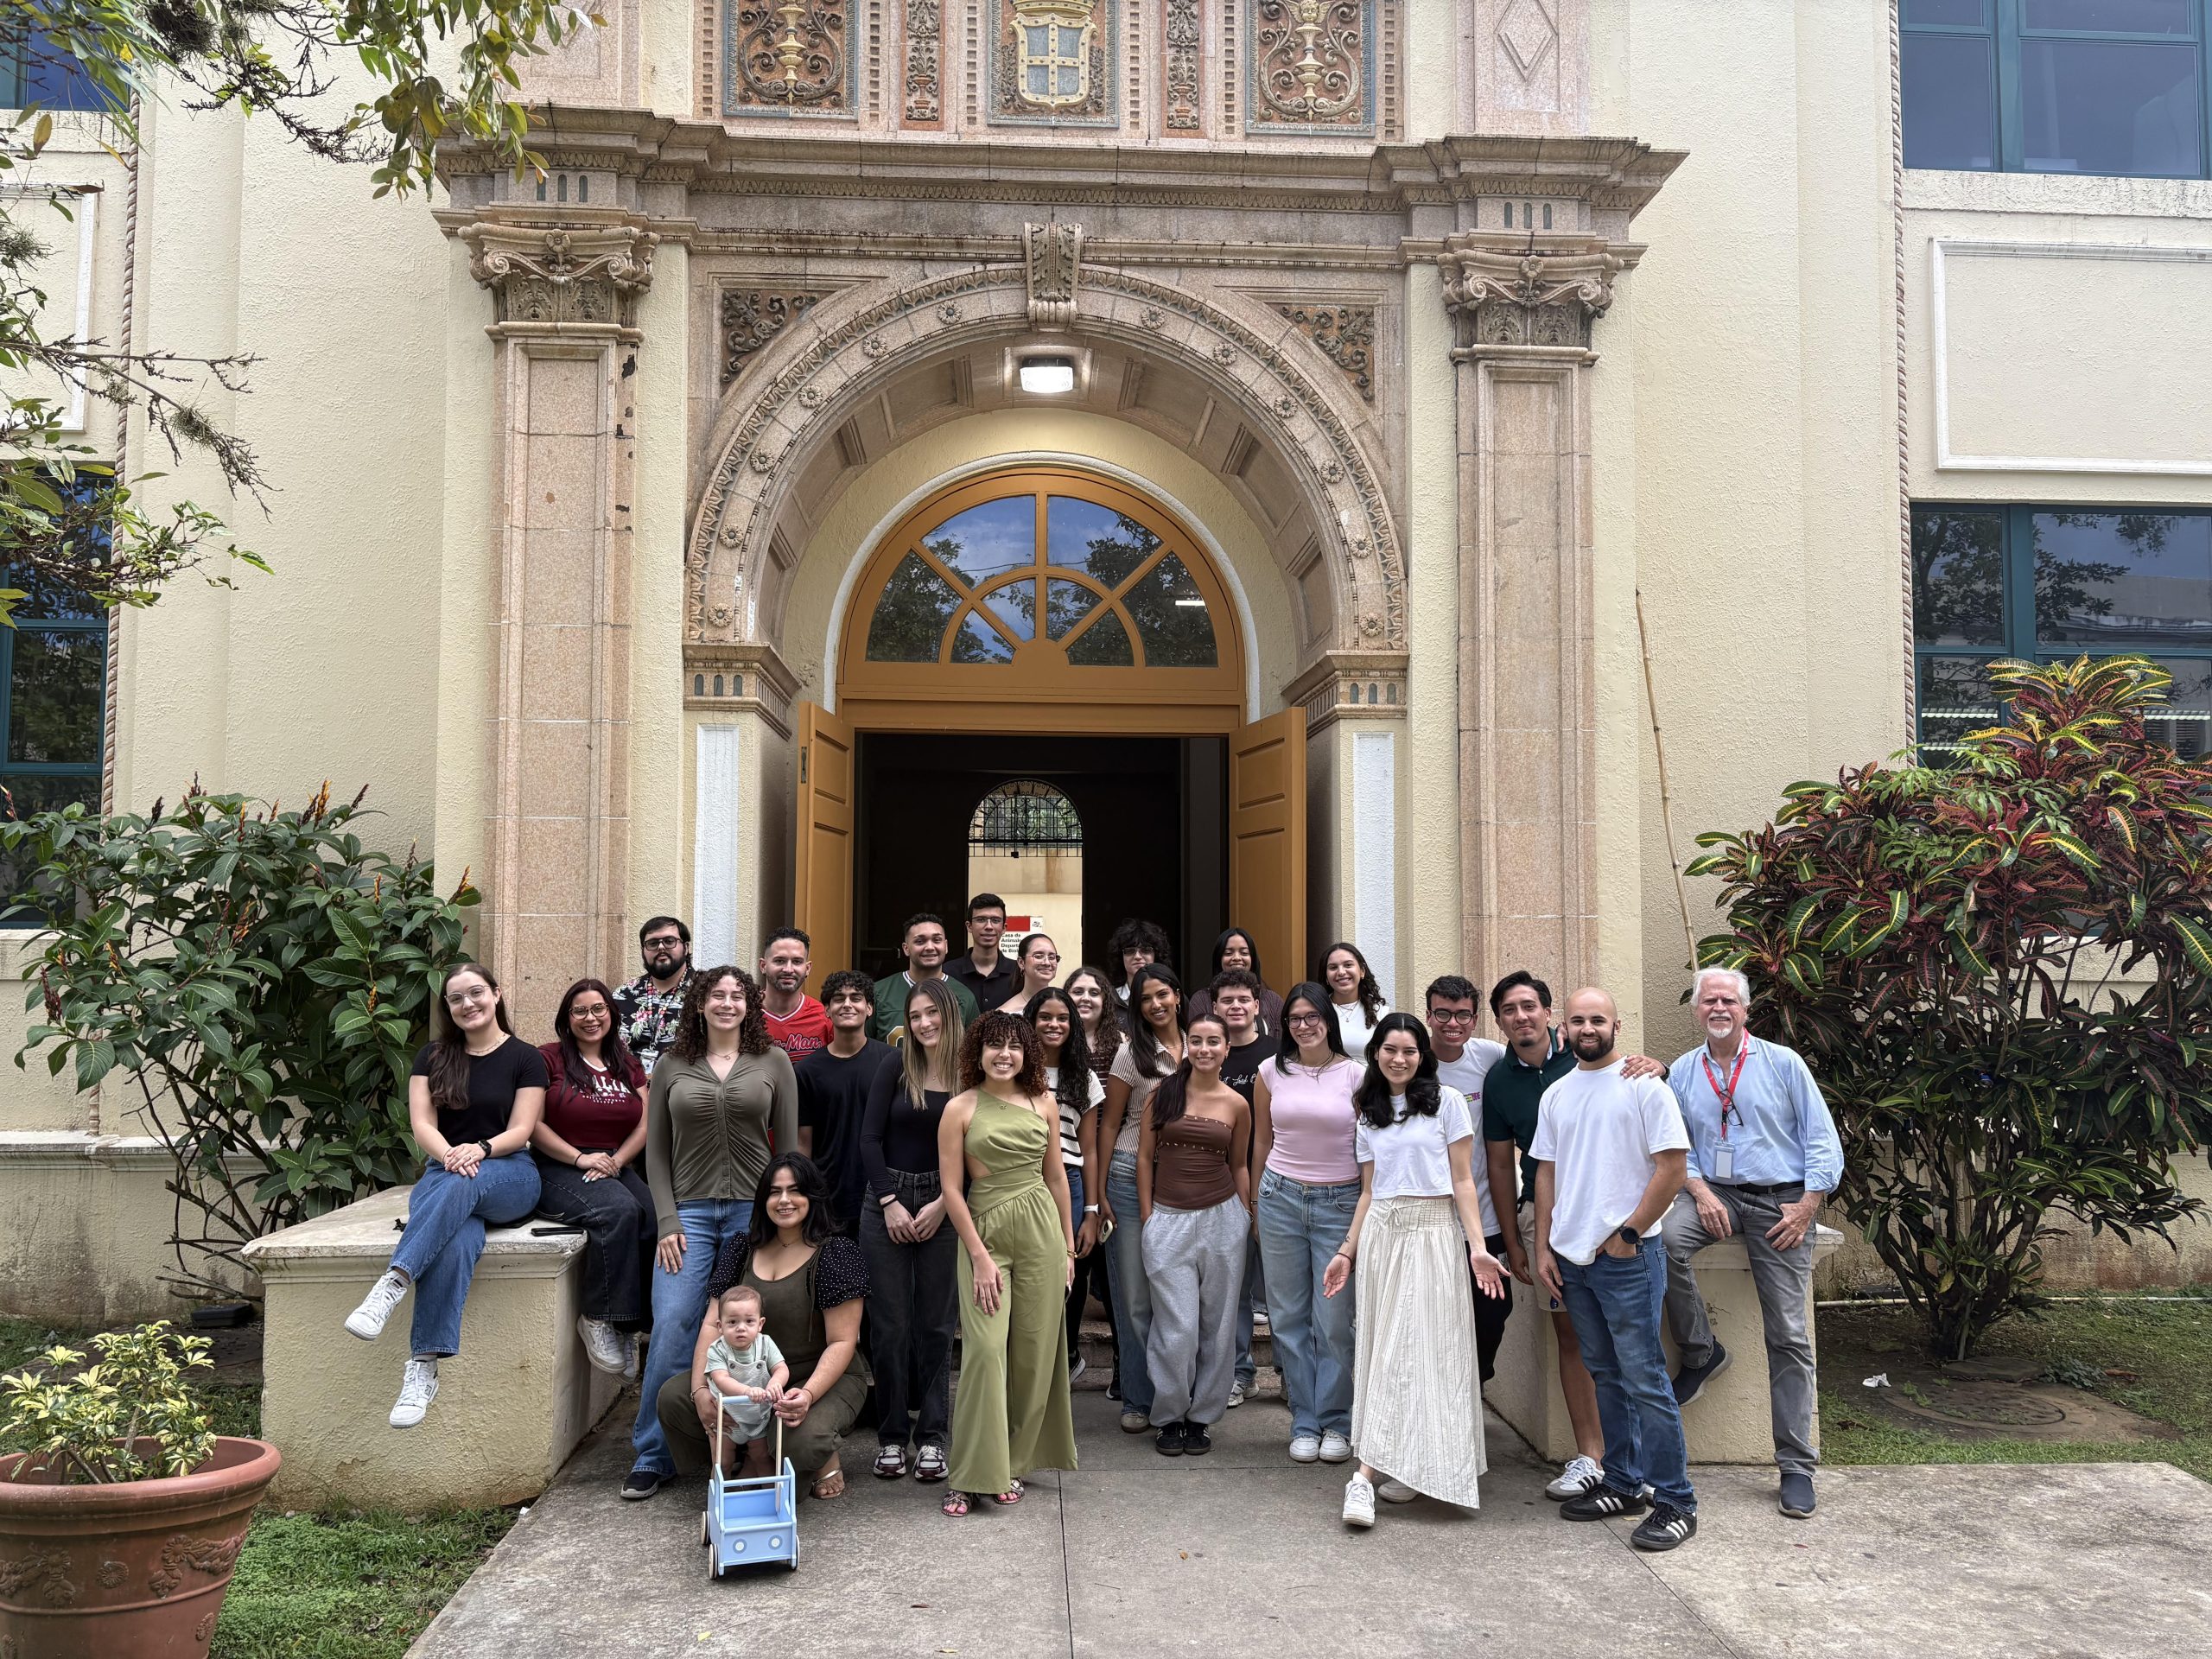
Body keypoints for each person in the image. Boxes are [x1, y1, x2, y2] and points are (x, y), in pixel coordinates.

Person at [1661, 966, 1843, 1521]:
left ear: (1746, 1009)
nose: (1719, 1008)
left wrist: (1808, 1205)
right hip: (1713, 1193)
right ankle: (1701, 1350)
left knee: (1788, 1333)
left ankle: (1796, 1466)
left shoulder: (1783, 1064)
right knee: (1663, 1241)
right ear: (1696, 1011)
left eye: (1728, 1000)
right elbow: (1673, 1145)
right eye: (1708, 1001)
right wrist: (1698, 1189)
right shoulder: (1685, 1073)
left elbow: (1821, 1139)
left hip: (1780, 1202)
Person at [1481, 969, 1667, 1503]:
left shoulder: (1593, 1057)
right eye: (1510, 1010)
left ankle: (1637, 1464)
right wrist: (1518, 1244)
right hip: (1548, 1218)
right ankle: (1592, 1456)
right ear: (1500, 1021)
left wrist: (1664, 1065)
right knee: (1574, 1338)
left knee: (1632, 1349)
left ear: (1548, 1015)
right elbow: (1502, 1166)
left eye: (1530, 1006)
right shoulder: (1500, 1080)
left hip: (1618, 1223)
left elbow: (1658, 1127)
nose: (1522, 1017)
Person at [623, 965, 800, 1500]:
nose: (727, 1003)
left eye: (737, 996)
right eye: (716, 995)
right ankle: (653, 1454)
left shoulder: (774, 1062)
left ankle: (751, 1450)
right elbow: (655, 1152)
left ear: (750, 1004)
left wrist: (780, 1218)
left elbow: (788, 1151)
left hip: (753, 1214)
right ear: (698, 1004)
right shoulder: (674, 1064)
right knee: (675, 1323)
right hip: (689, 1216)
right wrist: (668, 1220)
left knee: (748, 1329)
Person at [1322, 1015, 1507, 1527]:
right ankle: (1369, 1473)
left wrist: (1476, 1247)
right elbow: (1368, 1190)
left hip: (1433, 1232)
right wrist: (1347, 1251)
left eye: (1408, 1051)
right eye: (1389, 1050)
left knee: (1430, 1347)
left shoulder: (1447, 1103)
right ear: (1375, 1054)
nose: (1398, 1059)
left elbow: (1463, 1181)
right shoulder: (1369, 1111)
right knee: (1385, 1348)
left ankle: (1383, 1470)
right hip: (1383, 1232)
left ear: (1422, 1055)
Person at [346, 963, 546, 1428]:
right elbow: (422, 1125)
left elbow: (522, 1128)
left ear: (496, 995)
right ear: (448, 1008)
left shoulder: (525, 1058)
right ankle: (423, 1367)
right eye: (456, 998)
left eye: (476, 993)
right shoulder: (433, 1056)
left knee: (463, 1181)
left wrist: (478, 1150)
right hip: (445, 1172)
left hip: (511, 1172)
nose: (467, 1004)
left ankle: (394, 1282)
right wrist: (453, 1157)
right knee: (457, 1239)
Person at [1532, 987, 1697, 1552]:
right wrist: (1545, 1247)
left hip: (1626, 1259)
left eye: (1596, 1019)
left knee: (1645, 1378)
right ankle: (1623, 1481)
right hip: (1573, 1261)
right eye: (1577, 1020)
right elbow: (1547, 1175)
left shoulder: (1645, 1087)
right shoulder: (1556, 1093)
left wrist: (1630, 1233)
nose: (1586, 1028)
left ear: (1616, 1025)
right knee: (1604, 1372)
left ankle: (1676, 1500)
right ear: (1565, 1028)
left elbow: (1672, 1169)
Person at [657, 1154, 871, 1499]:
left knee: (799, 1438)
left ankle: (816, 1456)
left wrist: (808, 1395)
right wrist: (700, 1391)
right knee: (674, 1398)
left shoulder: (836, 1253)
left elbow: (842, 1342)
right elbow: (713, 1324)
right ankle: (745, 1454)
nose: (784, 1200)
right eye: (774, 1192)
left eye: (794, 1191)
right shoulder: (742, 1248)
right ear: (763, 1200)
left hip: (817, 1377)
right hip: (746, 1377)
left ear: (812, 1197)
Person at [938, 1010, 1078, 1516]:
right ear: (977, 1052)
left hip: (1042, 1231)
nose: (1004, 1054)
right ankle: (969, 1472)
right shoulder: (960, 1107)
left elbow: (1058, 1178)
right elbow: (952, 1188)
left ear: (1027, 1054)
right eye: (993, 1045)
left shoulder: (1044, 1103)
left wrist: (1066, 1247)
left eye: (1014, 1046)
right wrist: (977, 1255)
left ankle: (1011, 1465)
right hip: (985, 1236)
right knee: (983, 1350)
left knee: (1035, 1354)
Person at [857, 977, 964, 1482]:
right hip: (888, 1202)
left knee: (937, 1325)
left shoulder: (970, 1073)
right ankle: (893, 1436)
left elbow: (976, 1149)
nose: (923, 1024)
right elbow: (869, 1139)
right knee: (890, 1324)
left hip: (947, 1205)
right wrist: (890, 1202)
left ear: (948, 1013)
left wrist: (947, 1202)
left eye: (931, 1014)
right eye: (915, 1015)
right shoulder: (896, 1064)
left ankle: (933, 1438)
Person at [1251, 982, 1360, 1465]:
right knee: (1288, 1316)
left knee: (1334, 1320)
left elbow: (1369, 1146)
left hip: (1340, 1201)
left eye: (1312, 1016)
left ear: (1328, 1019)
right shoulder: (1270, 1071)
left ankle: (1336, 1420)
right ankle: (1304, 1419)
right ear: (1285, 1024)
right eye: (1295, 1018)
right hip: (1280, 1198)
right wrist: (1255, 1201)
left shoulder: (1357, 1075)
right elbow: (1260, 1142)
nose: (1304, 1025)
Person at [1138, 1012, 1253, 1456]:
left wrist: (1245, 1216)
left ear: (1227, 1049)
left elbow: (1239, 1164)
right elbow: (1146, 1158)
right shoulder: (1161, 1094)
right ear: (1186, 1046)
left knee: (1219, 1324)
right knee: (1177, 1326)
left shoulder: (1236, 1104)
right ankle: (1169, 1415)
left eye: (1214, 1042)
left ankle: (1202, 1417)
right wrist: (1149, 1218)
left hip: (1223, 1219)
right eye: (1197, 1041)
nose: (1205, 1049)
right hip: (1168, 1219)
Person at [530, 977, 653, 1380]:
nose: (590, 1017)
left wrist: (616, 1161)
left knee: (653, 1218)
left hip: (614, 1163)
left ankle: (630, 1325)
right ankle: (599, 1316)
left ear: (611, 1014)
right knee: (616, 1212)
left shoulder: (625, 1060)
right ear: (567, 1018)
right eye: (579, 1010)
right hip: (560, 1165)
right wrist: (582, 1160)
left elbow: (646, 1121)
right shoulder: (548, 1059)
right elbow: (532, 1124)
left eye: (598, 1009)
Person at [1098, 963, 1185, 1433]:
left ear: (1176, 994)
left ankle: (1178, 1393)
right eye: (1144, 999)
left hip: (1188, 1180)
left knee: (1175, 1296)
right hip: (1130, 1176)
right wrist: (1099, 1193)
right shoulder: (1131, 1055)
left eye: (1161, 995)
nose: (1155, 1004)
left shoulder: (1201, 1045)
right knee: (1133, 1296)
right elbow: (1110, 1123)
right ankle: (1138, 1396)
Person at [1425, 974, 1511, 1384]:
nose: (1452, 1023)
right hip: (1429, 1217)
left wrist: (1559, 1032)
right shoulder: (1410, 1059)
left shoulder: (1490, 1056)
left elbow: (1541, 1058)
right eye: (1442, 1013)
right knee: (1434, 1314)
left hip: (1482, 1214)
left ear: (1475, 1019)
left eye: (1462, 1015)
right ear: (1428, 1015)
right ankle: (1443, 1396)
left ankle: (1473, 1382)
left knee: (1494, 1308)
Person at [1027, 985, 1104, 1381]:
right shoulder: (1015, 1067)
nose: (1053, 1024)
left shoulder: (1084, 1077)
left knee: (1067, 1274)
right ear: (1031, 1022)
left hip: (1070, 1182)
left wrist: (1091, 1210)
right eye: (1045, 1017)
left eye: (1061, 1018)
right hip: (1021, 1179)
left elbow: (1089, 1148)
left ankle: (1066, 1356)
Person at [1208, 969, 1277, 1408]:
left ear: (1257, 1005)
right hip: (1219, 1185)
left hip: (1274, 1183)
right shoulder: (1206, 1053)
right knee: (1231, 1289)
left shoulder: (1276, 1055)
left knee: (1281, 1292)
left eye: (1243, 999)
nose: (1235, 1006)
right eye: (1227, 1000)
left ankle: (1291, 1375)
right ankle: (1239, 1372)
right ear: (1214, 1007)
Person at [797, 969, 898, 1234]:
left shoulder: (893, 1062)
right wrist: (805, 1196)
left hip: (885, 1196)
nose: (848, 1004)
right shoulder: (807, 1071)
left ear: (870, 1009)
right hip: (828, 1199)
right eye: (838, 999)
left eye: (856, 997)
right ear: (827, 1011)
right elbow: (803, 1144)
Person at [1065, 963, 1123, 1390]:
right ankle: (1067, 1356)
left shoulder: (1120, 1044)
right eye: (1077, 991)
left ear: (1106, 1001)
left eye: (1094, 992)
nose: (1085, 998)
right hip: (1069, 1162)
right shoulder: (1054, 1040)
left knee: (1116, 1268)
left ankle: (1125, 1363)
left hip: (1114, 1157)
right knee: (1076, 1267)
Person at [702, 1284, 788, 1467]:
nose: (741, 1328)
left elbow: (782, 1368)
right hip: (727, 1416)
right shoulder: (717, 1349)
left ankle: (768, 1492)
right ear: (720, 1326)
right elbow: (721, 1379)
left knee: (762, 1457)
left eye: (749, 1321)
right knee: (722, 1461)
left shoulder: (766, 1343)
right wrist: (747, 1391)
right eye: (732, 1322)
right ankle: (720, 1493)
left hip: (757, 1415)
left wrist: (775, 1383)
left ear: (760, 1324)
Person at [870, 912, 982, 1043]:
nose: (929, 947)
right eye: (920, 941)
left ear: (946, 946)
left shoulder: (964, 996)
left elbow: (974, 1052)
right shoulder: (878, 992)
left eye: (937, 940)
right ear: (906, 948)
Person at [613, 916, 694, 1074]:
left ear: (686, 947)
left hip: (684, 1093)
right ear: (643, 950)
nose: (661, 947)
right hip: (629, 1091)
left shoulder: (707, 993)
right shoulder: (622, 995)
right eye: (653, 943)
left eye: (669, 941)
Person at [1186, 927, 1285, 1037]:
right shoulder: (1201, 1000)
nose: (1237, 958)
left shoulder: (1273, 1001)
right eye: (1228, 953)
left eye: (1244, 953)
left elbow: (1280, 1044)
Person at [760, 928, 831, 1062]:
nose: (788, 969)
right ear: (763, 965)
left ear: (807, 968)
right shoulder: (745, 1014)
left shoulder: (824, 1018)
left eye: (797, 961)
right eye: (779, 961)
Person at [946, 892, 1020, 1012]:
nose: (989, 926)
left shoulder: (1019, 973)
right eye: (981, 920)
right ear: (969, 926)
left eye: (996, 920)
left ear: (1004, 928)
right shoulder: (948, 973)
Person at [1318, 942, 1389, 1058]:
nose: (1341, 972)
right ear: (1326, 976)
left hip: (1369, 1076)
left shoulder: (1380, 1012)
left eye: (1348, 965)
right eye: (1333, 967)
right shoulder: (1317, 1011)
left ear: (1362, 971)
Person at [1106, 918, 1173, 1005]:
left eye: (1146, 950)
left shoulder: (1171, 997)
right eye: (1130, 951)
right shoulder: (1109, 1000)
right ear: (1120, 957)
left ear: (1156, 955)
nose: (1137, 956)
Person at [995, 931, 1062, 1013]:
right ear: (1021, 963)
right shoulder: (1006, 1014)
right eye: (1038, 956)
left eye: (1052, 957)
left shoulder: (1065, 1006)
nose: (1047, 963)